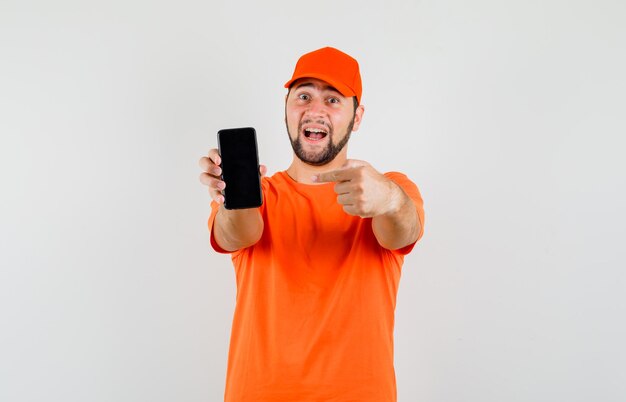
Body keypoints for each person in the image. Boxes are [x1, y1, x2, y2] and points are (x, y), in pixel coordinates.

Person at [199, 46, 425, 402]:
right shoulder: (260, 196)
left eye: (333, 100)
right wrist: (236, 196)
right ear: (287, 108)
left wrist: (390, 200)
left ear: (357, 116)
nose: (314, 110)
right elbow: (237, 234)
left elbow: (403, 231)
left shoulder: (388, 188)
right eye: (303, 96)